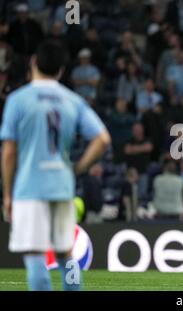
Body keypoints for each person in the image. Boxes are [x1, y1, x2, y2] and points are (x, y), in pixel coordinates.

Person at [0, 40, 111, 291]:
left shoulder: (18, 100)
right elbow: (102, 139)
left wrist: (7, 193)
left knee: (35, 256)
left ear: (33, 62)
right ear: (61, 70)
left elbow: (8, 152)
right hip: (61, 186)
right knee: (65, 255)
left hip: (29, 188)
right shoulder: (73, 100)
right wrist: (78, 167)